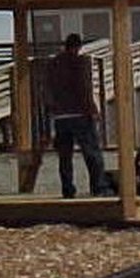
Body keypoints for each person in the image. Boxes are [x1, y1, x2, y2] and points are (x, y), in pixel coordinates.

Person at [47, 33, 113, 198]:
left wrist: (52, 109)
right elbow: (84, 87)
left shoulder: (54, 63)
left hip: (61, 115)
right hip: (80, 114)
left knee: (65, 156)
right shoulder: (81, 62)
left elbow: (48, 88)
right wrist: (93, 109)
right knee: (91, 152)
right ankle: (99, 187)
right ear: (79, 47)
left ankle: (68, 189)